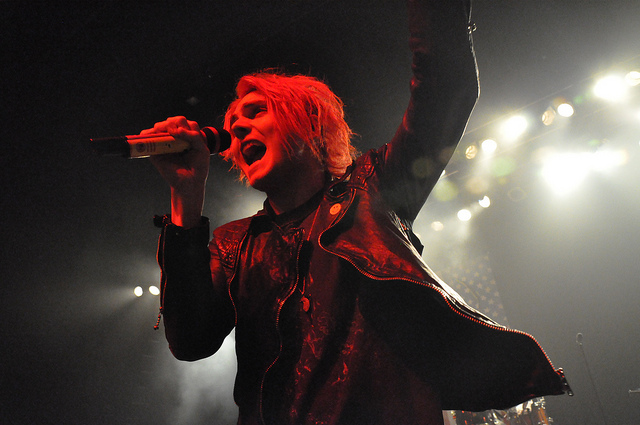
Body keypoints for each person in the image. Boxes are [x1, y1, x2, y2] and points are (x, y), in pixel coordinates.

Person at [142, 1, 570, 424]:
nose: (236, 127)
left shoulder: (373, 189)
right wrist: (185, 195)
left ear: (309, 122)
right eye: (233, 123)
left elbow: (447, 82)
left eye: (256, 111)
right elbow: (190, 341)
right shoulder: (234, 245)